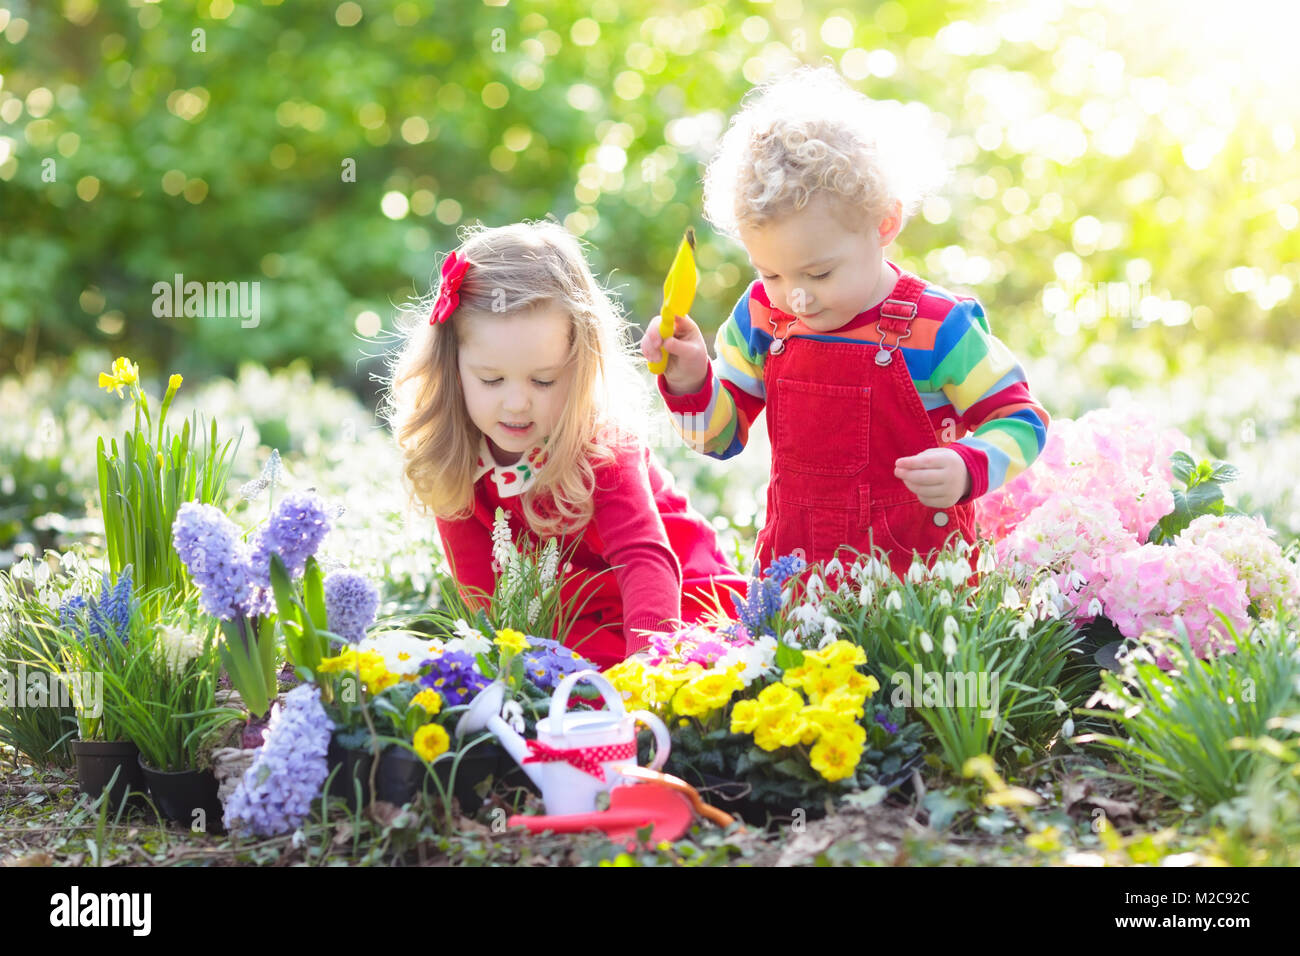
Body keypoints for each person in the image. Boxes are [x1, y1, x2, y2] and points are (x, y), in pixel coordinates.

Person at [641, 66, 1051, 580]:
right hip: (795, 583)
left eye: (820, 272)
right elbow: (719, 440)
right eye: (770, 272)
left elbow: (1022, 420)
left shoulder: (938, 326)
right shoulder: (762, 317)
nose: (797, 296)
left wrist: (968, 467)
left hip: (919, 588)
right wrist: (691, 379)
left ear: (884, 224)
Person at [383, 220, 746, 669]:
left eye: (544, 379)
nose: (517, 404)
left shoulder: (602, 445)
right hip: (577, 619)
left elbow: (644, 560)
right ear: (452, 367)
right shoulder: (454, 459)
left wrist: (648, 678)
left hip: (673, 599)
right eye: (491, 379)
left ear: (578, 366)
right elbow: (485, 600)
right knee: (546, 668)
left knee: (701, 661)